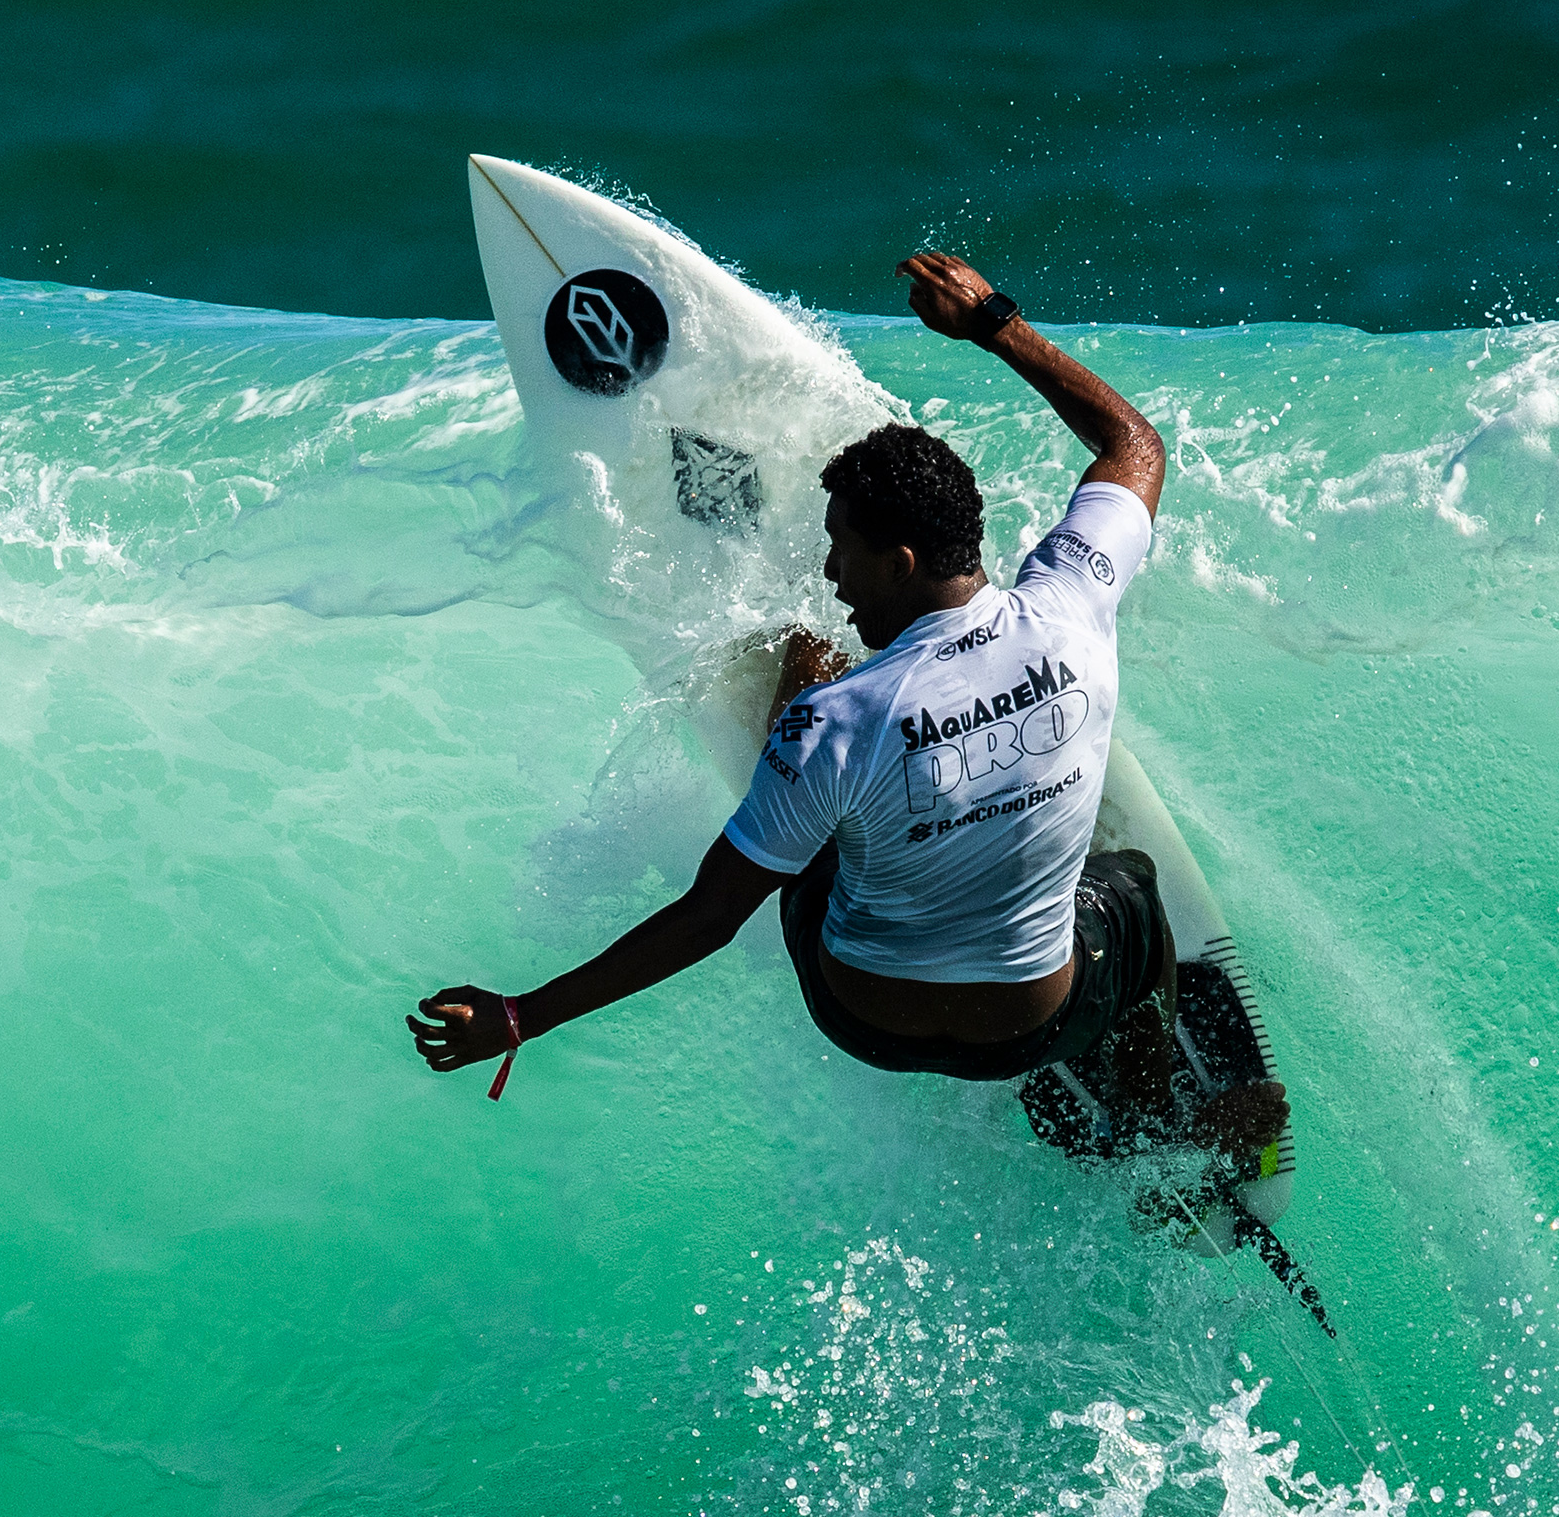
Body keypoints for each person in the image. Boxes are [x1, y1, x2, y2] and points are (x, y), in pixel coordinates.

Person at [408, 249, 1287, 1176]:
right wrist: (995, 322)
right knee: (1132, 892)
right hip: (1038, 1016)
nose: (832, 573)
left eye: (843, 552)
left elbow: (708, 919)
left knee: (812, 815)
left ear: (901, 562)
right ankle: (1155, 1120)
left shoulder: (830, 723)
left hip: (868, 1018)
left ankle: (814, 724)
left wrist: (521, 1017)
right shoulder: (1073, 609)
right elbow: (1133, 446)